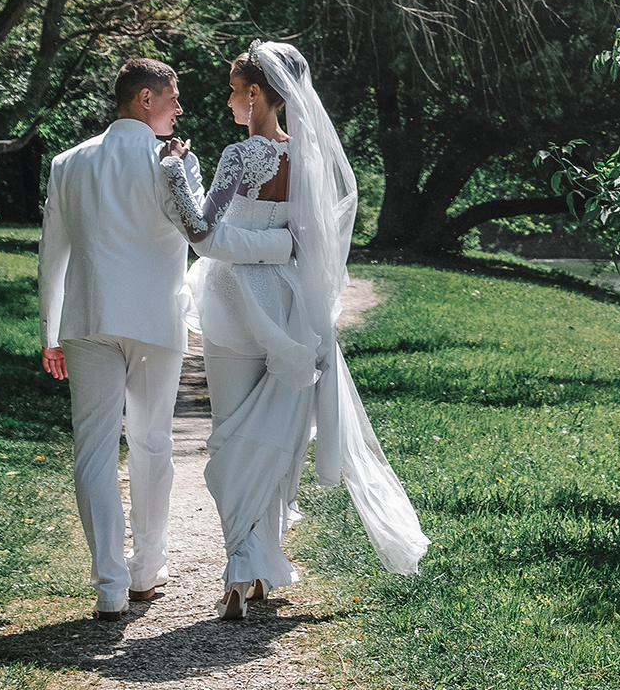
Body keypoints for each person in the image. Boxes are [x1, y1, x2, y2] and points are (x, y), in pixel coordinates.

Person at [161, 40, 428, 615]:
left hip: (233, 306)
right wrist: (276, 241)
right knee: (276, 438)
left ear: (256, 93)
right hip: (289, 308)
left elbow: (203, 232)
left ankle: (240, 568)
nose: (230, 101)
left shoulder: (242, 155)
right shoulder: (307, 158)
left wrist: (173, 176)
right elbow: (311, 246)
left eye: (235, 90)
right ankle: (257, 566)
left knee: (232, 431)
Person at [37, 57, 200, 621]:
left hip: (86, 323)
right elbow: (197, 229)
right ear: (145, 100)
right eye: (173, 98)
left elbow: (51, 253)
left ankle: (108, 583)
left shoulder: (68, 162)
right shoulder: (171, 161)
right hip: (155, 322)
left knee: (93, 449)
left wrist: (49, 332)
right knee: (153, 442)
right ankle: (146, 569)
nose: (179, 109)